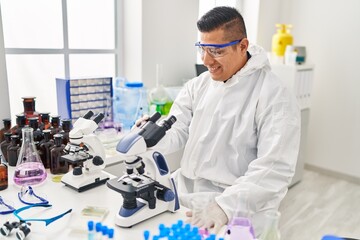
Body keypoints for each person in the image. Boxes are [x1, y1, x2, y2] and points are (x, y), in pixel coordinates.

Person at [136, 6, 300, 236]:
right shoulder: (199, 85)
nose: (206, 60)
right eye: (202, 48)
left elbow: (275, 167)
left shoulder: (274, 95)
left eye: (216, 51)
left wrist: (225, 207)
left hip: (237, 210)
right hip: (186, 197)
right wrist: (151, 137)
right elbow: (178, 130)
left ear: (243, 46)